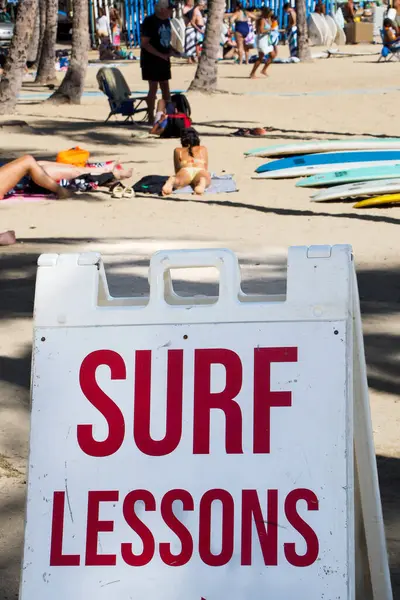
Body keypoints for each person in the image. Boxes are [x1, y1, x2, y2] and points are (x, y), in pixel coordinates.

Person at [0, 156, 132, 200]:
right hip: (27, 181)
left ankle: (106, 173)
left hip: (22, 178)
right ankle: (108, 175)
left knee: (38, 163)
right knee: (29, 161)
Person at [140, 0, 174, 125]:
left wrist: (172, 51)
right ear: (162, 9)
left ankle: (169, 115)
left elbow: (164, 40)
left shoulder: (166, 21)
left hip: (164, 58)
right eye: (170, 9)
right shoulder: (150, 21)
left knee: (165, 86)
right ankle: (150, 115)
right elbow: (145, 43)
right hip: (151, 59)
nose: (172, 11)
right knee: (153, 87)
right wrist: (160, 55)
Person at [162, 128, 211, 196]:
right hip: (200, 168)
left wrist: (179, 176)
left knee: (179, 181)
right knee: (205, 179)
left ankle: (173, 180)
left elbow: (177, 170)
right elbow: (205, 167)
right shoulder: (203, 149)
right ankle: (201, 182)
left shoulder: (178, 150)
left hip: (185, 169)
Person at [249, 8, 277, 78]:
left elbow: (269, 25)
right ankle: (252, 73)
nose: (271, 14)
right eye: (270, 13)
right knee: (261, 57)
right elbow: (261, 30)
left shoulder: (267, 19)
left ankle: (263, 70)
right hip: (262, 40)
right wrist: (270, 29)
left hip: (266, 39)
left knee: (273, 55)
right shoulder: (261, 20)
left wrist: (270, 21)